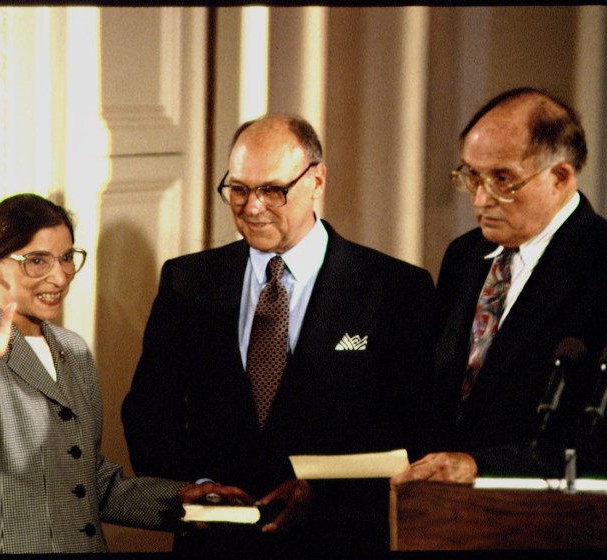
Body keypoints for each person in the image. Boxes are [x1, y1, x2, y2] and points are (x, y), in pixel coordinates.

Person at [121, 114, 436, 555]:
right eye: (239, 189)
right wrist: (198, 488)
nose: (252, 207)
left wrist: (323, 498)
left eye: (272, 190)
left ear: (317, 181)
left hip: (338, 538)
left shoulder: (394, 289)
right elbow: (149, 413)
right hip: (216, 543)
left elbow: (412, 430)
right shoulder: (188, 281)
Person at [0, 194, 250, 554]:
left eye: (66, 258)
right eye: (36, 261)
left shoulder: (72, 351)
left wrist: (182, 497)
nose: (59, 277)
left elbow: (88, 482)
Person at [390, 87, 607, 489]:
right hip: (445, 514)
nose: (479, 198)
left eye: (502, 179)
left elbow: (594, 436)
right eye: (472, 175)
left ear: (559, 177)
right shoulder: (465, 255)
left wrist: (482, 466)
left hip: (548, 518)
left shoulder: (600, 263)